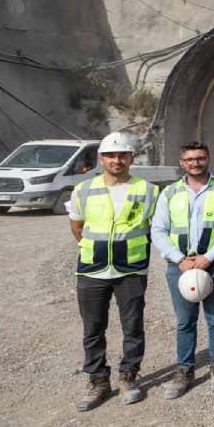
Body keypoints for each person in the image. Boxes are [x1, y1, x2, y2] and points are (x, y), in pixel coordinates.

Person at [70, 131, 160, 412]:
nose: (116, 160)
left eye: (122, 155)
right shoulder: (83, 189)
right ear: (102, 159)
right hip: (92, 270)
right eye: (111, 155)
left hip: (131, 269)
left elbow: (156, 227)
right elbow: (77, 225)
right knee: (93, 329)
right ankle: (98, 381)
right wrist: (93, 248)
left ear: (131, 158)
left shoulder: (147, 190)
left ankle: (129, 376)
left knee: (133, 326)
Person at [149, 141, 214, 399]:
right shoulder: (170, 193)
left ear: (208, 158)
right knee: (184, 321)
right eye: (189, 159)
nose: (195, 163)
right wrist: (179, 259)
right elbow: (158, 230)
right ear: (181, 162)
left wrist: (209, 257)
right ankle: (185, 369)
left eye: (200, 158)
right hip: (181, 267)